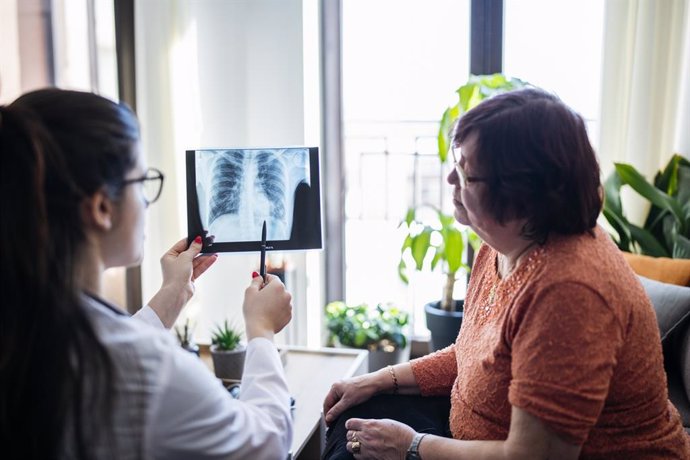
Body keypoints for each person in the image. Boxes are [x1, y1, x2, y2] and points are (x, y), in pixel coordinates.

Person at [322, 88, 690, 459]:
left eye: (466, 173)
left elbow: (535, 456)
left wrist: (412, 446)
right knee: (352, 415)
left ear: (522, 193)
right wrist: (379, 380)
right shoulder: (502, 241)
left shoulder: (569, 293)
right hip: (474, 430)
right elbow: (475, 357)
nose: (450, 179)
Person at [0, 88, 293, 459]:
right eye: (141, 182)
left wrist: (171, 296)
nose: (144, 201)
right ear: (103, 207)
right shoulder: (145, 370)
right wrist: (262, 332)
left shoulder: (22, 323)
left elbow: (105, 340)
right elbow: (266, 445)